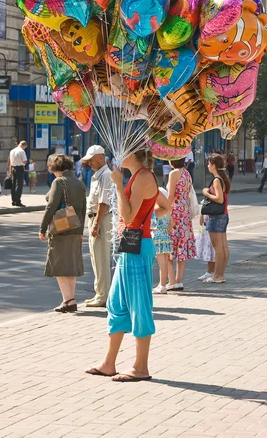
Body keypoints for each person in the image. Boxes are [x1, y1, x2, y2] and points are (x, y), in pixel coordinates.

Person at [85, 149, 170, 382]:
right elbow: (165, 206)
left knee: (139, 305)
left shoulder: (143, 177)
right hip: (130, 246)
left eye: (124, 150)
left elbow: (130, 217)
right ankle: (109, 363)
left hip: (137, 247)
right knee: (116, 303)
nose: (118, 154)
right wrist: (149, 214)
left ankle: (141, 367)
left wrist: (119, 187)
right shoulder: (140, 176)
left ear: (134, 154)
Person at [39, 154, 86, 312]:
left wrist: (42, 228)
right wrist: (81, 231)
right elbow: (83, 209)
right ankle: (70, 299)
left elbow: (51, 206)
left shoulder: (58, 182)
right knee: (71, 265)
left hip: (60, 229)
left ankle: (68, 300)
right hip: (75, 228)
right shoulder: (79, 184)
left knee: (58, 264)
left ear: (56, 168)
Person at [82, 145, 113, 308]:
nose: (89, 163)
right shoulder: (98, 175)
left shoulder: (106, 175)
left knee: (100, 258)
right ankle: (99, 292)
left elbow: (103, 203)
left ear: (101, 157)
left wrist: (96, 224)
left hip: (101, 219)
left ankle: (103, 295)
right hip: (95, 219)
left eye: (91, 160)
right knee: (95, 258)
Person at [166, 158, 196, 292]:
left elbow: (170, 196)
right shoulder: (186, 173)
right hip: (185, 213)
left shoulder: (174, 174)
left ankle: (171, 281)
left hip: (175, 213)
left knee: (168, 246)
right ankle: (179, 280)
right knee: (181, 246)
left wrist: (162, 208)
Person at [201, 153, 230, 284]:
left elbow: (219, 199)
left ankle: (217, 275)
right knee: (223, 246)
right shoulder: (222, 178)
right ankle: (221, 274)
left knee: (218, 247)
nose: (207, 166)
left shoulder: (217, 180)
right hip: (223, 215)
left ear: (213, 166)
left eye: (208, 163)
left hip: (216, 216)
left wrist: (206, 193)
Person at [152, 187, 173, 294]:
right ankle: (163, 284)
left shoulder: (155, 209)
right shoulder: (167, 211)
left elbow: (151, 224)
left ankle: (162, 285)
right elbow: (172, 224)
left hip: (157, 237)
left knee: (161, 263)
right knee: (164, 262)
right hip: (165, 237)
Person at [8, 140, 28, 206]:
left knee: (13, 185)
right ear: (24, 145)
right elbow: (24, 161)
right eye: (25, 147)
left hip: (13, 167)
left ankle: (13, 200)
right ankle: (18, 201)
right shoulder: (21, 151)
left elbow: (10, 162)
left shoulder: (12, 151)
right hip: (20, 168)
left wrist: (10, 171)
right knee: (19, 185)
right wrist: (23, 164)